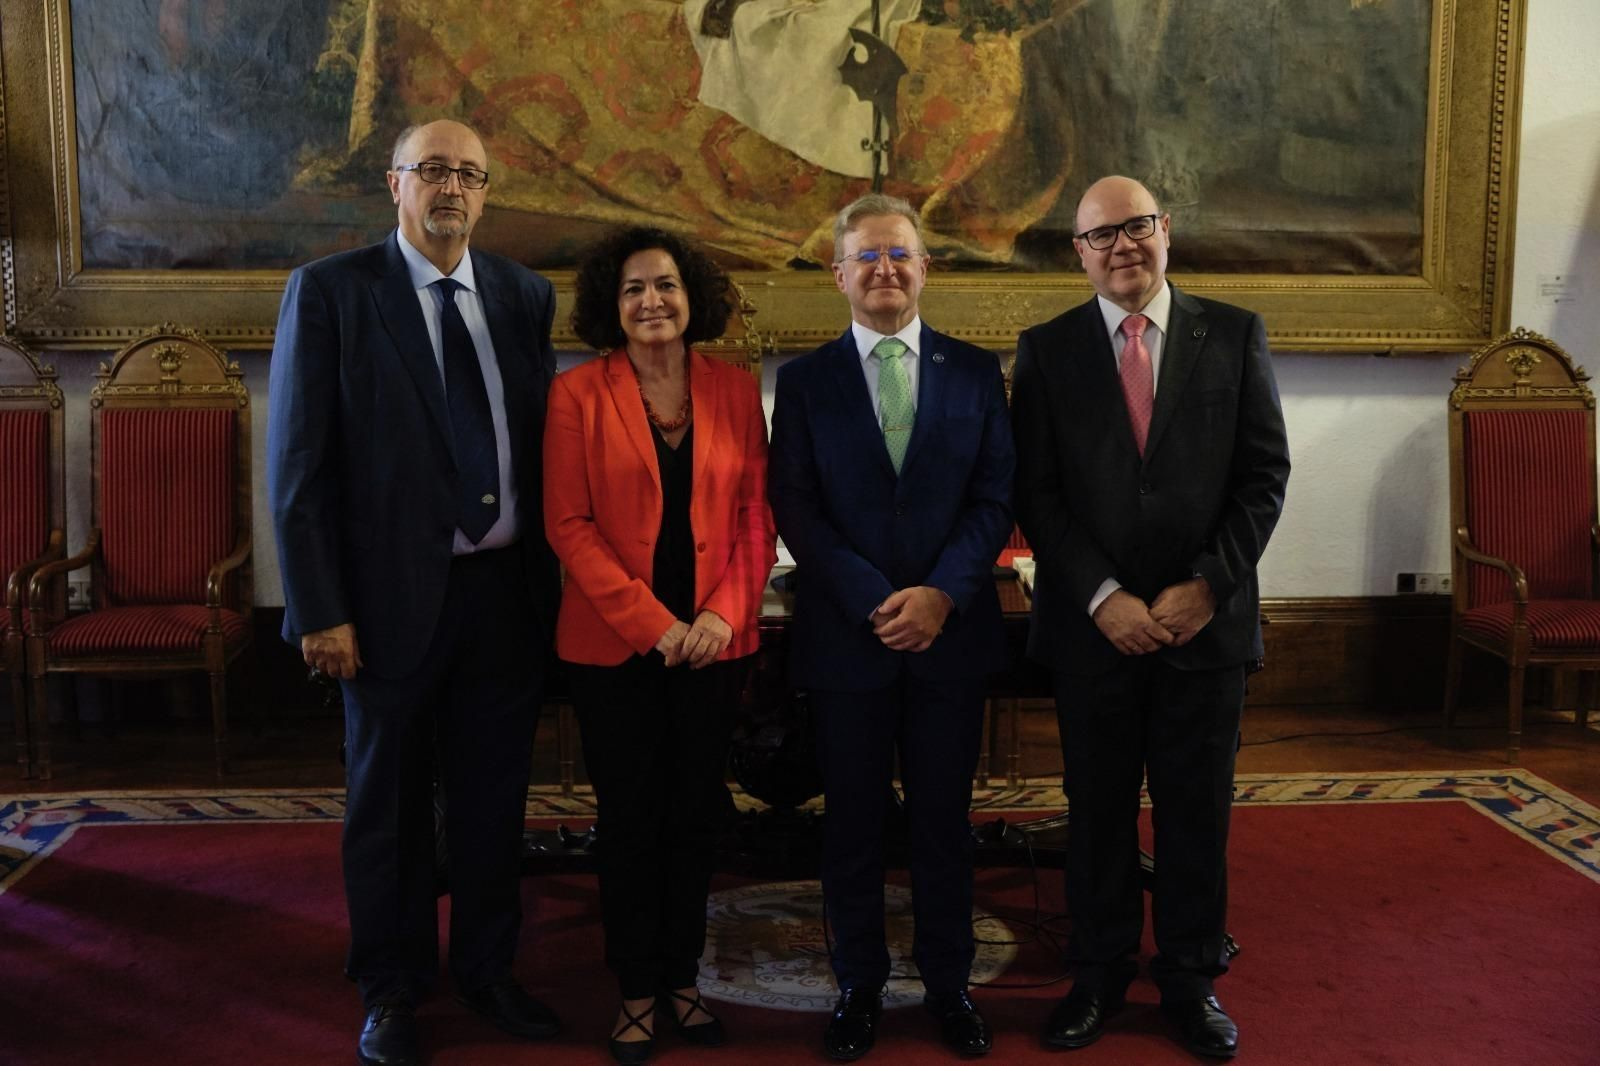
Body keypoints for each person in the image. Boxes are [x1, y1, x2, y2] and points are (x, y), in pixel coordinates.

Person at [267, 119, 563, 1066]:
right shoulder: (332, 292)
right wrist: (318, 607)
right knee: (388, 804)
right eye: (432, 169)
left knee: (492, 800)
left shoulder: (523, 295)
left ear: (485, 193)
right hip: (384, 602)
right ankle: (392, 988)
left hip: (504, 596)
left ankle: (487, 970)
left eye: (469, 175)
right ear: (394, 184)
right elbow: (300, 465)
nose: (451, 188)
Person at [1010, 175, 1290, 1059]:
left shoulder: (1233, 333)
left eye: (1137, 227)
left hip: (1205, 627)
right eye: (1102, 235)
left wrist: (1207, 585)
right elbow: (1038, 493)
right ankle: (1095, 974)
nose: (1123, 246)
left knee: (1195, 811)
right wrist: (1102, 596)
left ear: (1166, 231)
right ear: (1079, 253)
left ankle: (1189, 978)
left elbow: (1262, 478)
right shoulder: (1047, 350)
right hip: (1096, 630)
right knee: (1094, 810)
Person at [768, 194, 1015, 1062]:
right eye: (865, 257)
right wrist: (878, 597)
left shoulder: (979, 374)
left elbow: (993, 499)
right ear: (838, 274)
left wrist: (942, 594)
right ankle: (859, 986)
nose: (884, 271)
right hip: (850, 638)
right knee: (855, 825)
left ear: (924, 268)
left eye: (898, 256)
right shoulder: (802, 383)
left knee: (945, 821)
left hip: (950, 639)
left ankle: (949, 985)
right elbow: (794, 504)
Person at [543, 227, 777, 1064]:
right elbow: (567, 527)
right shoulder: (576, 396)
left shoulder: (734, 389)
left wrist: (719, 615)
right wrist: (657, 625)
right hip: (616, 649)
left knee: (694, 817)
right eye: (635, 288)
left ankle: (683, 978)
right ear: (613, 304)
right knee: (632, 819)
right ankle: (636, 988)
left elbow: (757, 515)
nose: (652, 301)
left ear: (693, 298)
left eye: (667, 286)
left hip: (716, 644)